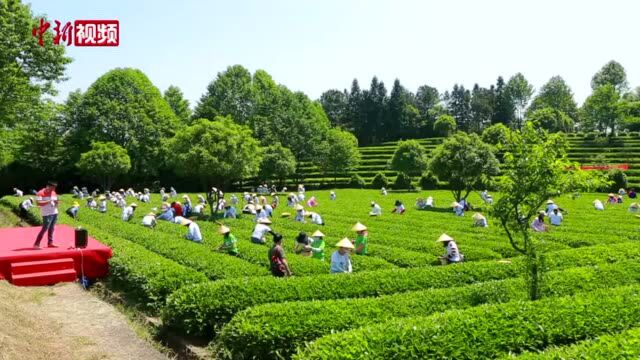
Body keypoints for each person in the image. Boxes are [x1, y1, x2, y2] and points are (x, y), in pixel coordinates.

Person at [33, 181, 59, 249]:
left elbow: (56, 204)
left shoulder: (54, 193)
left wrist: (56, 203)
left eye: (54, 188)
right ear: (48, 186)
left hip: (54, 212)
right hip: (46, 214)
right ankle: (36, 244)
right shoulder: (40, 192)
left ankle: (50, 243)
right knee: (45, 228)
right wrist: (49, 201)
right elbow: (38, 203)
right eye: (52, 188)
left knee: (52, 228)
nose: (53, 190)